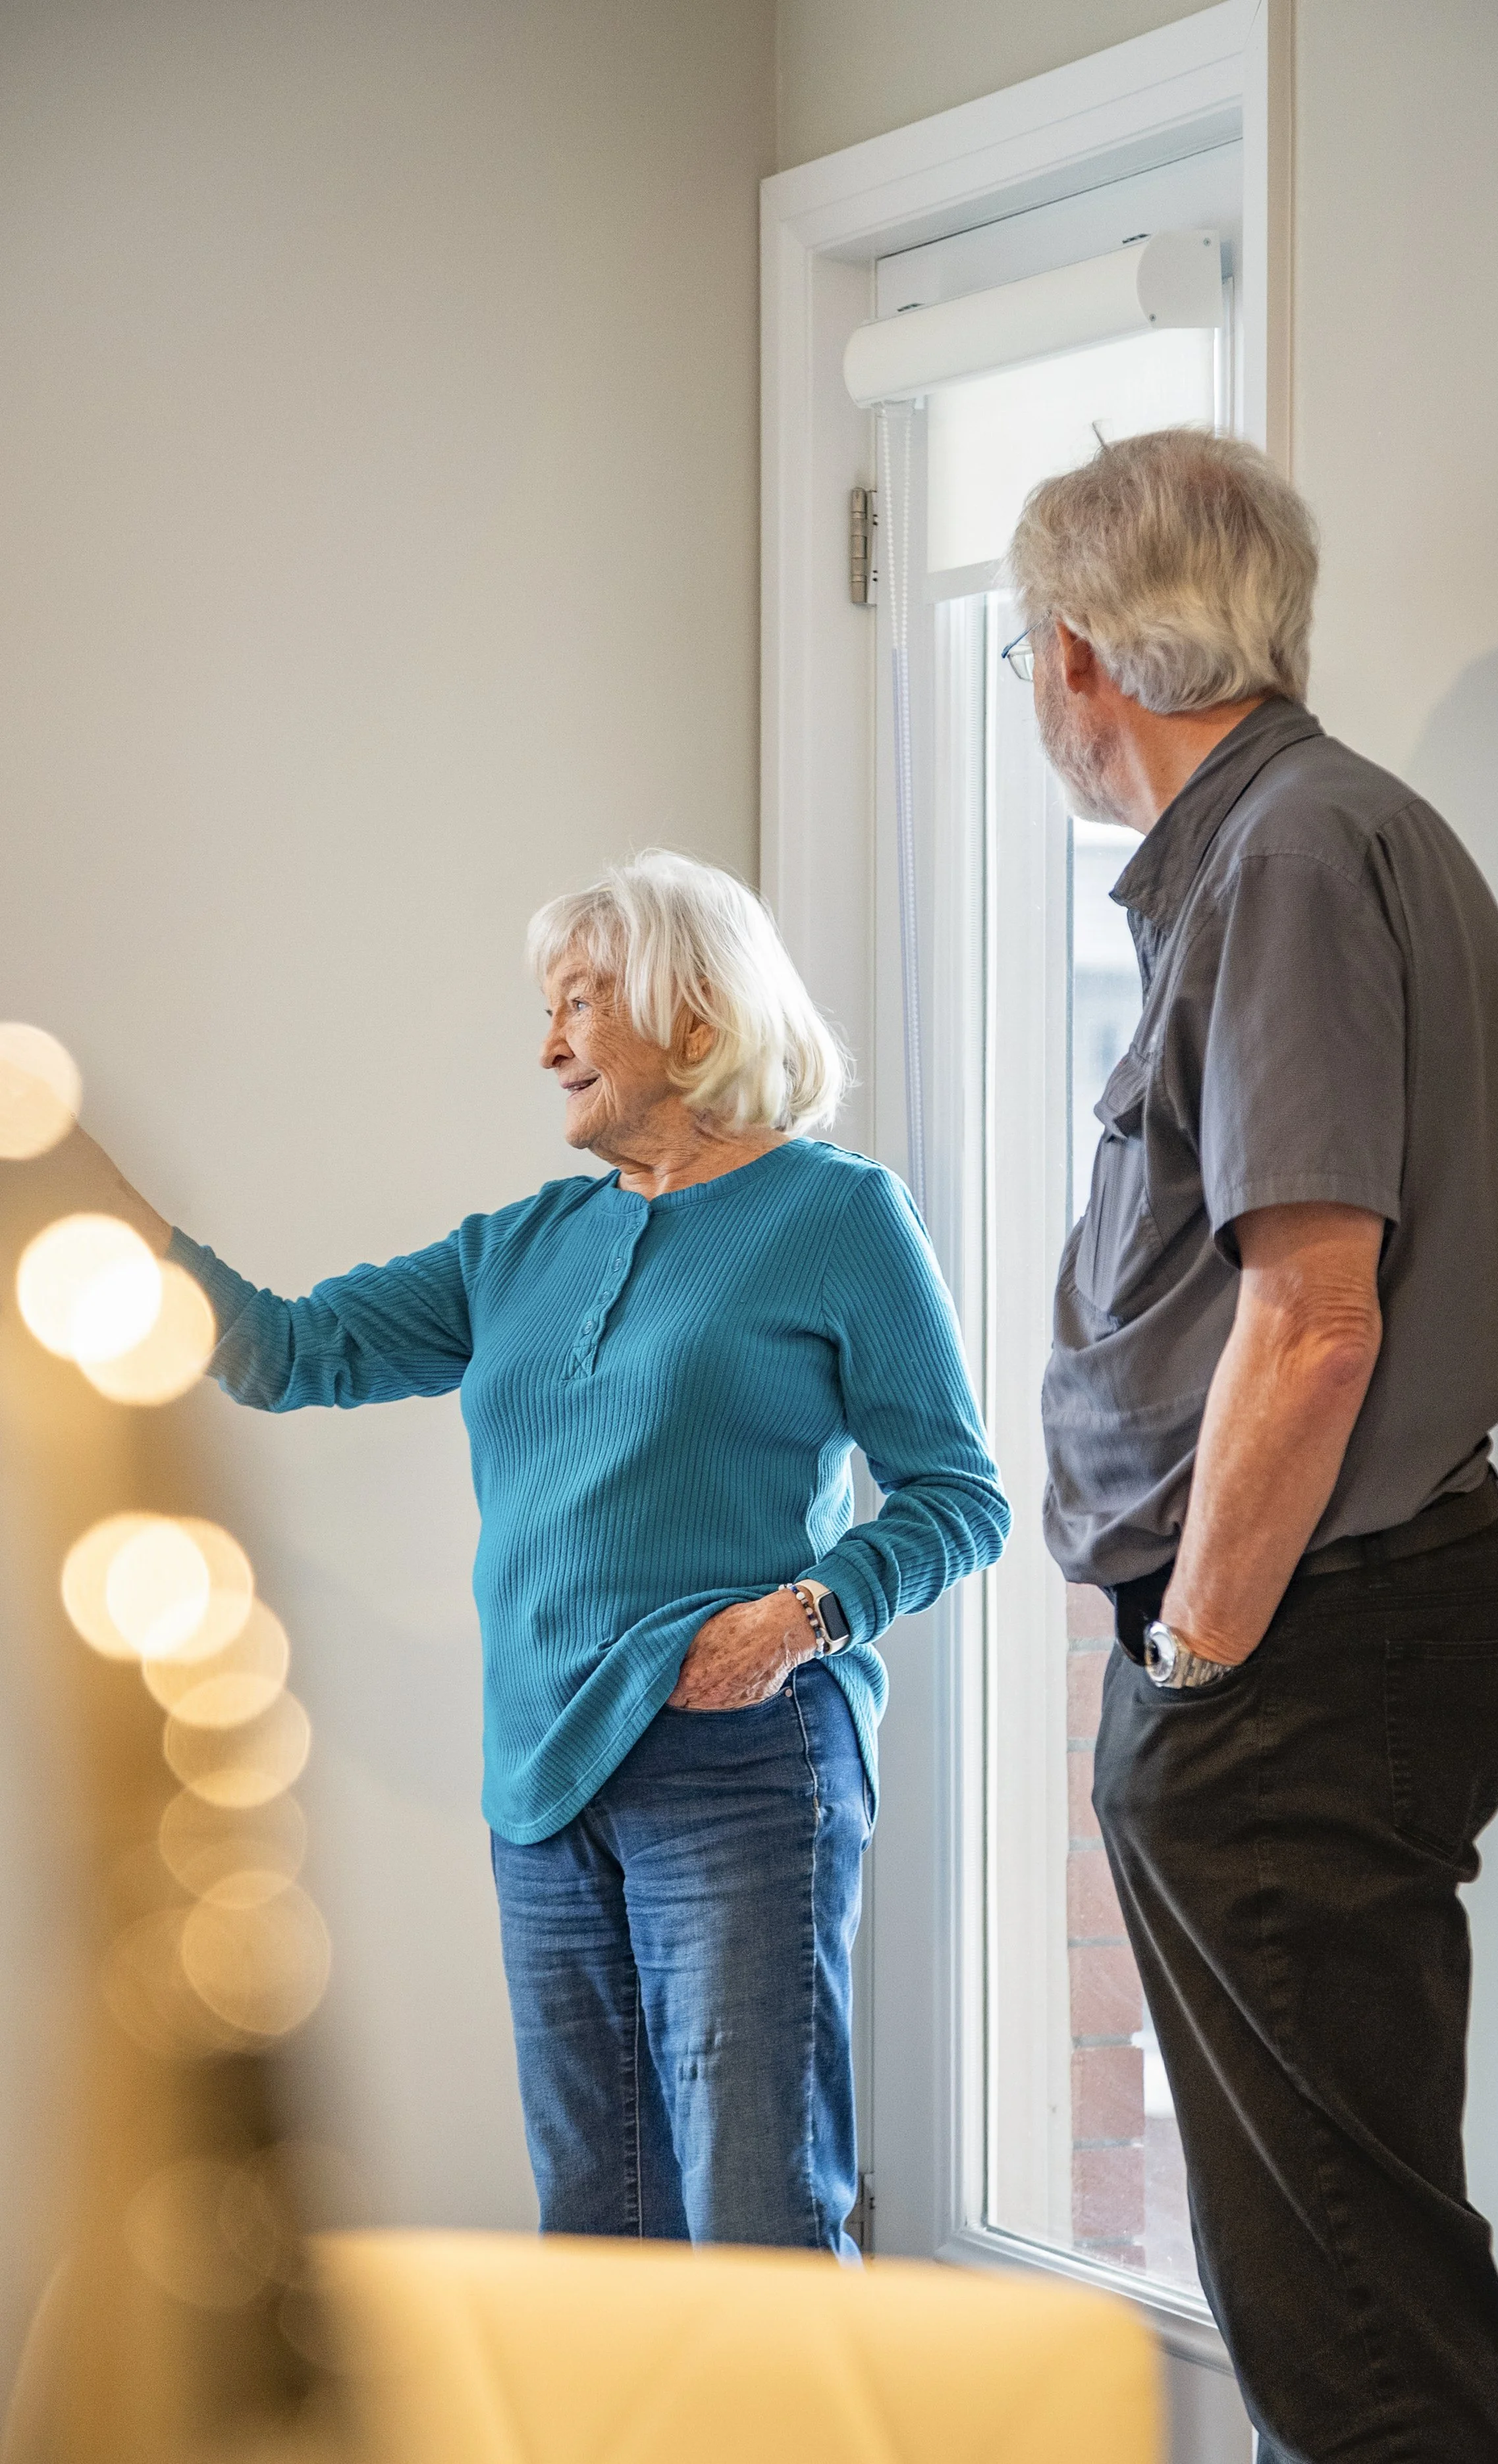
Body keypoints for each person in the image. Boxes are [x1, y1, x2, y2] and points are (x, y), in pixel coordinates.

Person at [77, 849, 1009, 2256]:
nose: (547, 1041)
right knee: (597, 2235)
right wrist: (85, 1200)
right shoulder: (517, 1246)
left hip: (739, 1765)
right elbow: (279, 1348)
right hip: (539, 1783)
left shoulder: (835, 1216)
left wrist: (808, 1613)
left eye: (581, 1000)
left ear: (695, 1019)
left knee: (753, 2220)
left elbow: (959, 1493)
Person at [1005, 431, 1498, 2463]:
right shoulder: (1299, 837)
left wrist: (1196, 1654)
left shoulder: (1291, 853)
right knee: (1345, 2266)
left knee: (1344, 2303)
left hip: (1301, 1645)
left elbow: (1313, 1315)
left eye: (1023, 654)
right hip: (1327, 1631)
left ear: (1082, 654)